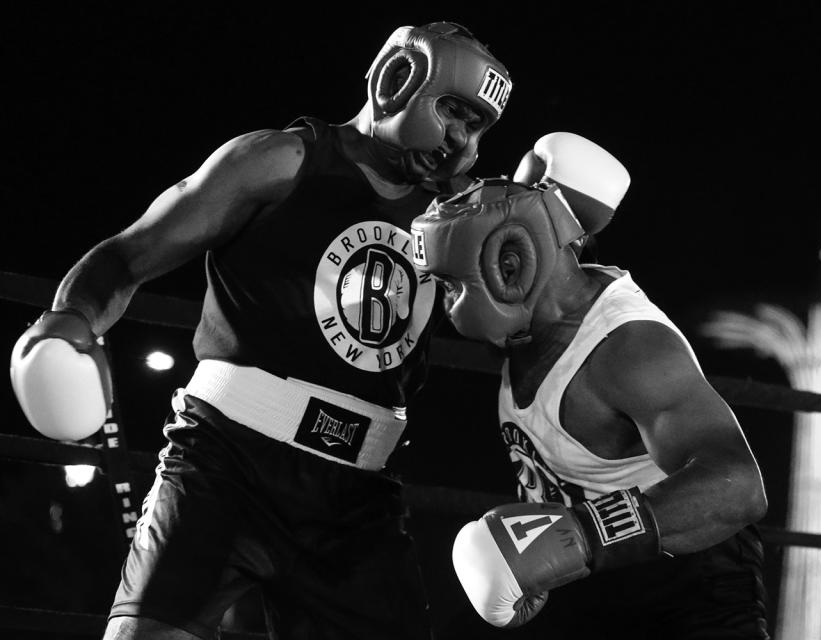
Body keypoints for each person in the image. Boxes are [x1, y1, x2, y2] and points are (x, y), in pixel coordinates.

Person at [10, 21, 512, 640]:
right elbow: (129, 255)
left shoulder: (460, 219)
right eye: (455, 111)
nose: (459, 138)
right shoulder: (282, 160)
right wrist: (67, 321)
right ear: (399, 80)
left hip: (359, 499)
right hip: (226, 462)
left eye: (477, 126)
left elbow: (540, 311)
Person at [410, 142, 770, 638]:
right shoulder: (529, 315)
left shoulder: (630, 349)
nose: (447, 300)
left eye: (452, 284)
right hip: (593, 581)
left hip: (689, 586)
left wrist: (580, 534)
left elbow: (739, 487)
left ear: (507, 267)